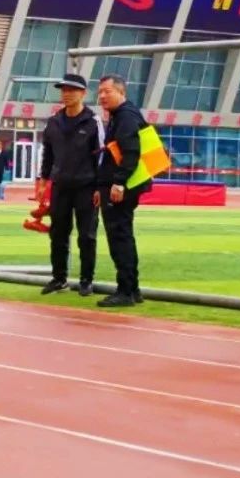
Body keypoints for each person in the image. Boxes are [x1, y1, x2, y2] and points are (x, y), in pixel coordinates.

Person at [36, 73, 103, 298]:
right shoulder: (54, 122)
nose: (66, 94)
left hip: (87, 187)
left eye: (72, 90)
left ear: (83, 93)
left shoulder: (93, 122)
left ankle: (86, 280)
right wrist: (43, 181)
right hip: (60, 186)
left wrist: (99, 187)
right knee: (58, 234)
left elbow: (102, 157)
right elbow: (47, 153)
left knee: (87, 236)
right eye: (64, 90)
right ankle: (59, 278)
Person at [94, 74, 151, 308]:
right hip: (120, 185)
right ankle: (132, 289)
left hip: (120, 187)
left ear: (121, 92)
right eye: (100, 92)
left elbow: (130, 152)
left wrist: (118, 183)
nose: (102, 96)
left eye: (107, 91)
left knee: (119, 237)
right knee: (123, 235)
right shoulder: (122, 114)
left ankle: (125, 291)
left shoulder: (125, 116)